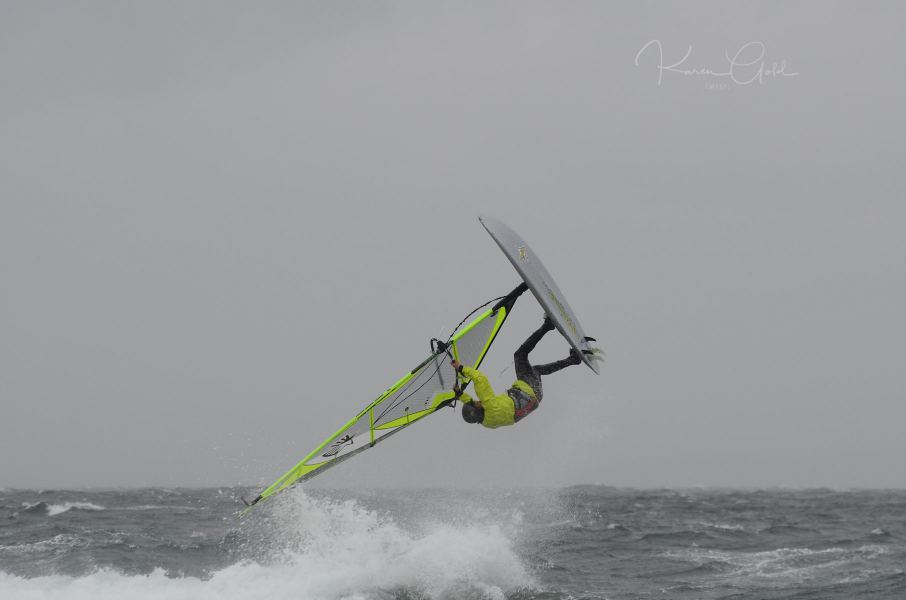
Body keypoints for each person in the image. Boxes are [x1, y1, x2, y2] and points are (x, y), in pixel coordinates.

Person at [451, 315, 589, 428]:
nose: (478, 401)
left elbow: (473, 405)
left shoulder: (487, 423)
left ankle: (572, 360)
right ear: (479, 409)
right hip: (527, 390)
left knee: (537, 370)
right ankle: (548, 326)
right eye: (477, 404)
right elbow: (480, 379)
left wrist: (460, 395)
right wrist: (461, 368)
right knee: (520, 355)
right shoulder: (489, 404)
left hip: (534, 398)